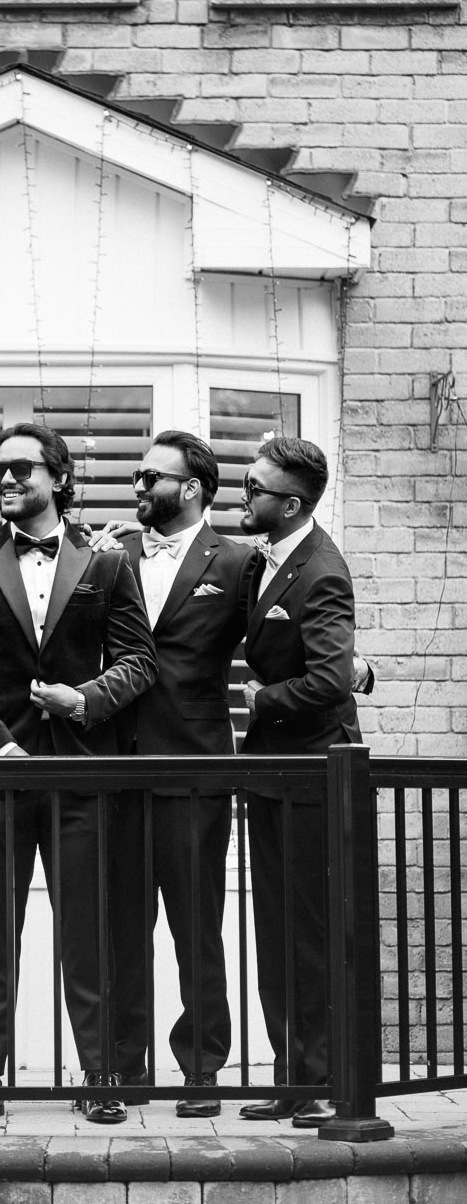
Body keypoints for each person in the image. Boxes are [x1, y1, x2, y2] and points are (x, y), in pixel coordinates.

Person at [0, 422, 157, 1127]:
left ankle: (100, 1076)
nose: (5, 481)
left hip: (82, 775)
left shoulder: (108, 563)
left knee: (88, 935)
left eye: (21, 469)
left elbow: (139, 661)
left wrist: (87, 700)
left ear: (59, 477)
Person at [98, 431, 254, 1118]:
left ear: (190, 488)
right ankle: (121, 1071)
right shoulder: (112, 555)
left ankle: (201, 1069)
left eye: (150, 477)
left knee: (198, 926)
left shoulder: (241, 561)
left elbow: (279, 642)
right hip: (116, 767)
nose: (138, 487)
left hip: (194, 767)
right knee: (118, 927)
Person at [237, 436, 369, 1129]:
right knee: (278, 932)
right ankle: (293, 1079)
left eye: (255, 488)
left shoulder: (321, 569)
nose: (244, 493)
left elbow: (325, 680)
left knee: (308, 934)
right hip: (274, 778)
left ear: (290, 504)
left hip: (314, 776)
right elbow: (341, 665)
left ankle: (318, 1083)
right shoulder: (269, 561)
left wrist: (263, 700)